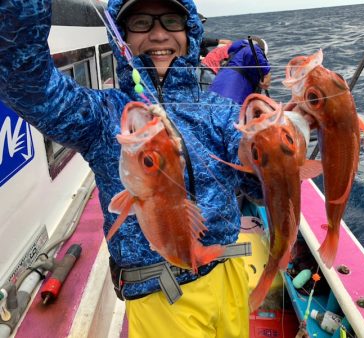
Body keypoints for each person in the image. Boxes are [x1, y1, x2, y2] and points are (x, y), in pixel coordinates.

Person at [0, 0, 262, 337]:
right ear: (121, 36)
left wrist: (274, 145)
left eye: (171, 21)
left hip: (229, 275)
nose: (157, 34)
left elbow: (259, 189)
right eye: (141, 23)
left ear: (190, 32)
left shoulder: (220, 111)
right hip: (161, 295)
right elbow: (23, 78)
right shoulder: (100, 115)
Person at [208, 38, 271, 104]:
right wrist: (266, 73)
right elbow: (251, 52)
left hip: (212, 96)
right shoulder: (251, 48)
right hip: (229, 100)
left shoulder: (234, 57)